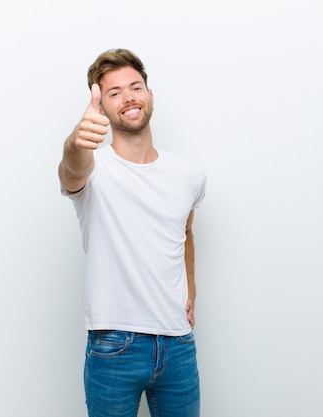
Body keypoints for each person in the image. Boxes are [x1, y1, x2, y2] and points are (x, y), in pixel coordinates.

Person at [58, 48, 206, 417]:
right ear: (103, 108)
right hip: (114, 347)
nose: (128, 97)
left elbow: (184, 229)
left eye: (135, 86)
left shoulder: (188, 174)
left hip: (178, 346)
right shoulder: (94, 169)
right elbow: (70, 170)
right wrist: (76, 143)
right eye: (114, 93)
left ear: (149, 95)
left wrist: (191, 283)